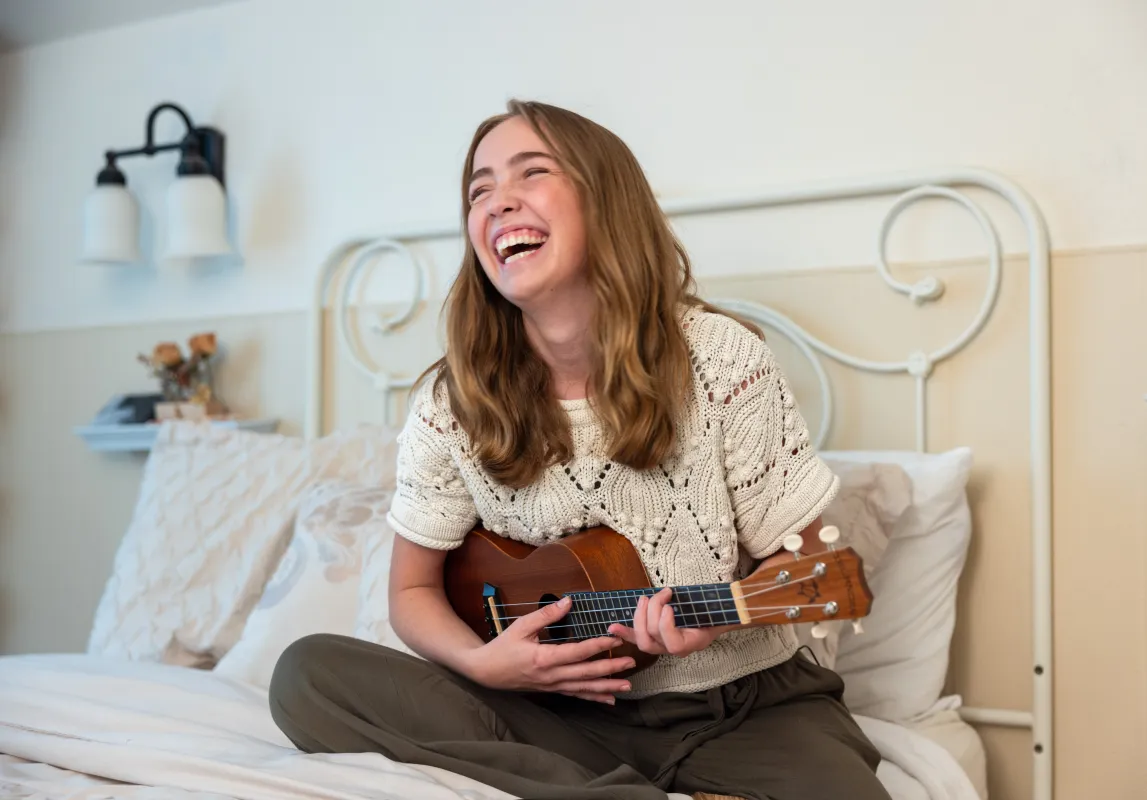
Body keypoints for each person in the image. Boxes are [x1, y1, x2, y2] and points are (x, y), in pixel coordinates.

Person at [268, 99, 889, 800]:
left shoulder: (719, 360)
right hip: (555, 718)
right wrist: (487, 665)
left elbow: (809, 559)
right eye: (479, 190)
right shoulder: (452, 404)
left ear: (606, 202)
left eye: (530, 173)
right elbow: (411, 592)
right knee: (305, 676)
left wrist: (707, 631)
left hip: (742, 709)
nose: (498, 202)